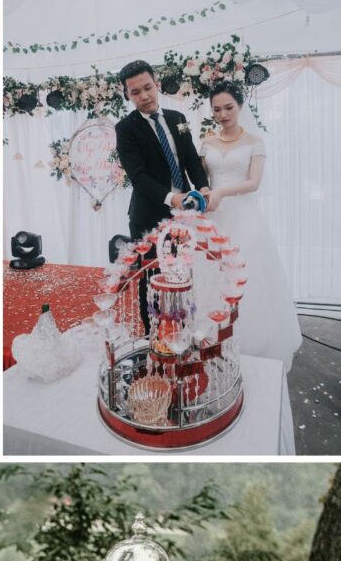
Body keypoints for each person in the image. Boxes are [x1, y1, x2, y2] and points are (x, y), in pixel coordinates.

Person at [199, 82, 301, 371]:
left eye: (228, 107)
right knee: (211, 278)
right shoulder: (207, 143)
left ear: (240, 106)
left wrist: (220, 193)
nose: (222, 114)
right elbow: (202, 181)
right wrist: (207, 193)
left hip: (245, 217)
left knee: (249, 280)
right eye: (216, 109)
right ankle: (211, 341)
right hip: (214, 219)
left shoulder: (255, 142)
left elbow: (254, 183)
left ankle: (253, 343)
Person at [115, 60, 210, 332]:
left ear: (156, 84)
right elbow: (138, 176)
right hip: (148, 214)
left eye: (147, 88)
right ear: (127, 95)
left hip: (185, 214)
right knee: (153, 278)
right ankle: (152, 337)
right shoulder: (125, 129)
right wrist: (172, 198)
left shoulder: (176, 118)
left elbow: (191, 159)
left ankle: (181, 331)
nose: (144, 96)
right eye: (135, 92)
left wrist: (202, 187)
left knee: (182, 273)